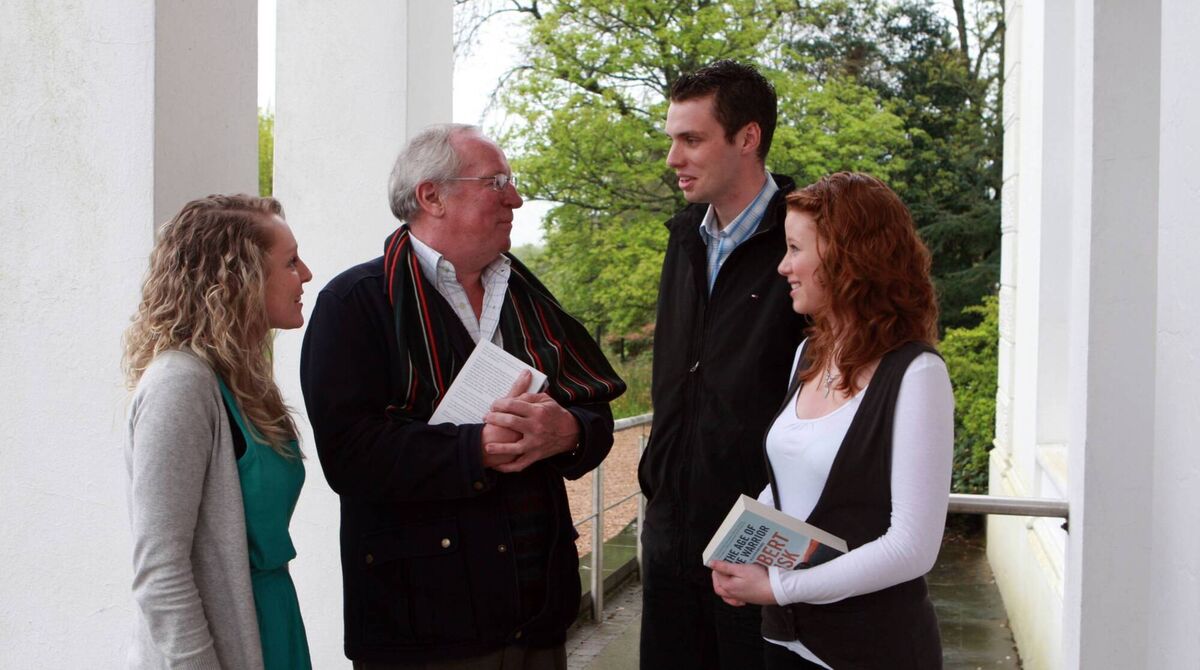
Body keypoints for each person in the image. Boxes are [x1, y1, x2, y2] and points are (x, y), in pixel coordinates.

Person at [300, 123, 625, 669]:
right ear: (431, 196)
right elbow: (350, 455)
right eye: (496, 182)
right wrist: (477, 448)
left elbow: (594, 408)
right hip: (423, 627)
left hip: (538, 612)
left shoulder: (530, 300)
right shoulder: (355, 304)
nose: (515, 199)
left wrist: (567, 431)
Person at [709, 172, 954, 669]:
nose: (783, 267)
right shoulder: (807, 354)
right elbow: (789, 481)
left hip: (873, 651)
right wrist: (741, 547)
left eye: (796, 248)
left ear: (848, 260)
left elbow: (911, 547)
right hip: (784, 642)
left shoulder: (917, 374)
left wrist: (779, 587)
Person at [637, 59, 808, 670]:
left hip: (761, 543)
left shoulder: (809, 238)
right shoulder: (683, 236)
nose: (672, 158)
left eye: (691, 139)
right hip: (669, 538)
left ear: (747, 138)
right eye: (671, 139)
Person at [123, 194, 314, 669]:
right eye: (290, 262)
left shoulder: (237, 381)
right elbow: (160, 571)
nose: (306, 274)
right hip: (223, 649)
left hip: (272, 622)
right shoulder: (178, 386)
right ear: (239, 278)